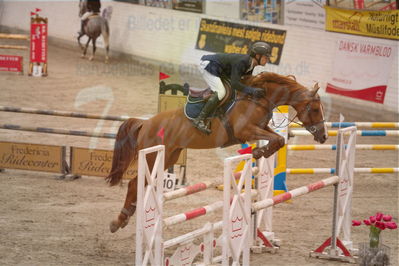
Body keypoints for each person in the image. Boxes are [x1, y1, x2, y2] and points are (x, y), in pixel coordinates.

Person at [192, 41, 272, 134]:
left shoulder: (250, 65)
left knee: (231, 92)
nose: (267, 59)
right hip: (209, 65)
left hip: (221, 70)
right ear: (257, 56)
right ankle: (199, 119)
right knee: (221, 92)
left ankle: (221, 113)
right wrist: (252, 91)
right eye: (266, 57)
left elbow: (245, 81)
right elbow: (235, 84)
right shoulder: (242, 62)